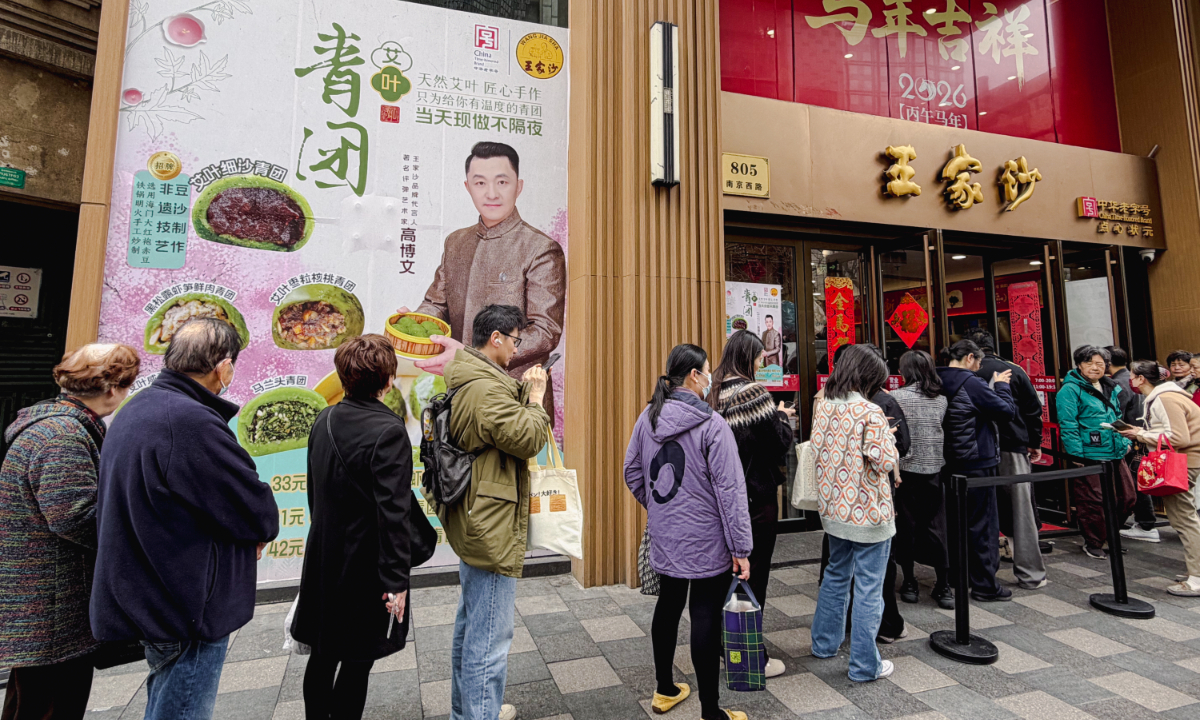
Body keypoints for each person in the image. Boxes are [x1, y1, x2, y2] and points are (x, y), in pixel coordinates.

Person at [90, 319, 279, 720]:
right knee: (183, 708)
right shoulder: (188, 421)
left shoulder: (142, 405)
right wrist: (260, 530)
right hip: (183, 601)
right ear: (223, 367)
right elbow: (249, 502)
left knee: (167, 700)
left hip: (152, 590)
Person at [0, 344, 139, 720]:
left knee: (28, 701)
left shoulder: (53, 425)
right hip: (53, 604)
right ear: (112, 389)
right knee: (51, 703)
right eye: (126, 386)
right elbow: (73, 516)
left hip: (42, 599)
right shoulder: (63, 437)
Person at [625, 343, 753, 720]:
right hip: (707, 538)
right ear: (695, 375)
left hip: (666, 535)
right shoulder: (712, 425)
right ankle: (711, 712)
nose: (710, 376)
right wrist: (741, 547)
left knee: (668, 605)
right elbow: (731, 492)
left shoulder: (648, 416)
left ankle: (665, 690)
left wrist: (660, 509)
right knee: (704, 613)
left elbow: (632, 471)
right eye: (707, 370)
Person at [291, 335, 415, 720]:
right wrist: (396, 582)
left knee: (324, 653)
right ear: (388, 379)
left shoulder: (324, 419)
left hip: (325, 558)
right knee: (358, 659)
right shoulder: (390, 430)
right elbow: (394, 514)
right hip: (365, 566)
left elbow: (316, 492)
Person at [396, 141, 566, 421]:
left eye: (502, 182)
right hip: (459, 395)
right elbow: (435, 304)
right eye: (480, 183)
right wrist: (414, 325)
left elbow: (546, 331)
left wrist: (475, 359)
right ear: (468, 187)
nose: (491, 193)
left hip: (515, 400)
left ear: (518, 186)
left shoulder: (540, 247)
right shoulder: (456, 242)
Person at [440, 304, 551, 720]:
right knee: (490, 638)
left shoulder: (475, 377)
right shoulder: (485, 388)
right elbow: (525, 438)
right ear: (497, 338)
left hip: (475, 512)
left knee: (471, 626)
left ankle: (467, 711)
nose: (517, 348)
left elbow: (497, 429)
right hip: (491, 521)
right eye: (516, 339)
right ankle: (479, 713)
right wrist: (536, 398)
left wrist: (523, 392)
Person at [809, 344, 899, 682]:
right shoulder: (870, 411)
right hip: (869, 511)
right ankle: (864, 665)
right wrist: (887, 440)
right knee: (869, 587)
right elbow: (885, 461)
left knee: (836, 574)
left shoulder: (824, 404)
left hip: (834, 507)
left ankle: (823, 644)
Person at [710, 330, 794, 678]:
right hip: (755, 498)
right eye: (760, 358)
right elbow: (779, 443)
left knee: (726, 576)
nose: (763, 363)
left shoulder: (714, 391)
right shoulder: (753, 392)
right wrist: (783, 416)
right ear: (748, 357)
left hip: (722, 499)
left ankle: (723, 645)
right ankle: (749, 655)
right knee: (753, 575)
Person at [963, 328, 1047, 591]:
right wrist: (1034, 441)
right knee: (1021, 508)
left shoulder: (967, 372)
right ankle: (1031, 574)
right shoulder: (1015, 370)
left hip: (974, 450)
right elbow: (1033, 410)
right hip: (1013, 446)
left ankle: (976, 573)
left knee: (977, 509)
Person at [936, 339, 1017, 602]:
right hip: (976, 461)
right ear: (970, 358)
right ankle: (984, 584)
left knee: (953, 523)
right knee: (982, 525)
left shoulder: (935, 378)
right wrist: (1003, 387)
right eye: (979, 362)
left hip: (947, 462)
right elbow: (1006, 411)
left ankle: (954, 576)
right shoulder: (969, 382)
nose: (979, 367)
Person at [1118, 360, 1200, 596]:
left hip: (1182, 461)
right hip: (1188, 460)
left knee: (1184, 519)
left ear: (1141, 379)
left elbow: (1179, 437)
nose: (1130, 380)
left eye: (1133, 376)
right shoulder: (1171, 394)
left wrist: (1139, 433)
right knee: (1185, 518)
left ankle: (1196, 577)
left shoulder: (1164, 398)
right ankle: (1195, 571)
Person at [1057, 345, 1134, 560]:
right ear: (1079, 365)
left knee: (1127, 497)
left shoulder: (1111, 386)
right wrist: (1076, 455)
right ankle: (1093, 541)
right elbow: (1068, 424)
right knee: (1094, 500)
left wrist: (1125, 439)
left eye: (1100, 363)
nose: (1095, 367)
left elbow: (1116, 417)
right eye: (1089, 363)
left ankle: (1109, 535)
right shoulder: (1070, 390)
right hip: (1090, 453)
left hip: (1116, 451)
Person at [891, 349, 952, 609]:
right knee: (937, 527)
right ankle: (943, 584)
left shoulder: (896, 398)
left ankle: (910, 582)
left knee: (906, 527)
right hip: (934, 469)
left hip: (905, 471)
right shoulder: (941, 400)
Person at [1110, 347, 1160, 543]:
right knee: (1139, 479)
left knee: (1135, 481)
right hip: (1141, 436)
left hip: (1133, 437)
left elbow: (1116, 413)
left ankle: (1146, 524)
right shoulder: (1132, 383)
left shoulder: (1119, 384)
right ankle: (1145, 522)